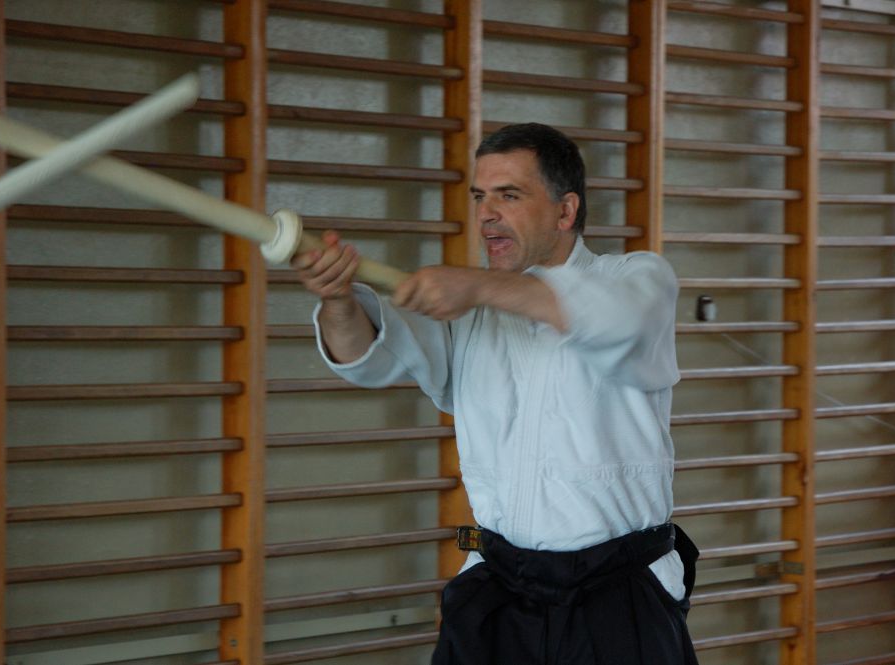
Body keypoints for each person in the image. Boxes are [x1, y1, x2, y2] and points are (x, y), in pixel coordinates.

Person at [291, 122, 698, 665]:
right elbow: (366, 355)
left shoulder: (636, 278)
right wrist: (339, 299)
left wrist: (478, 285)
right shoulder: (470, 312)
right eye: (480, 196)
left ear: (565, 211)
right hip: (499, 587)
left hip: (618, 595)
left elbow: (611, 318)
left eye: (509, 195)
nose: (486, 214)